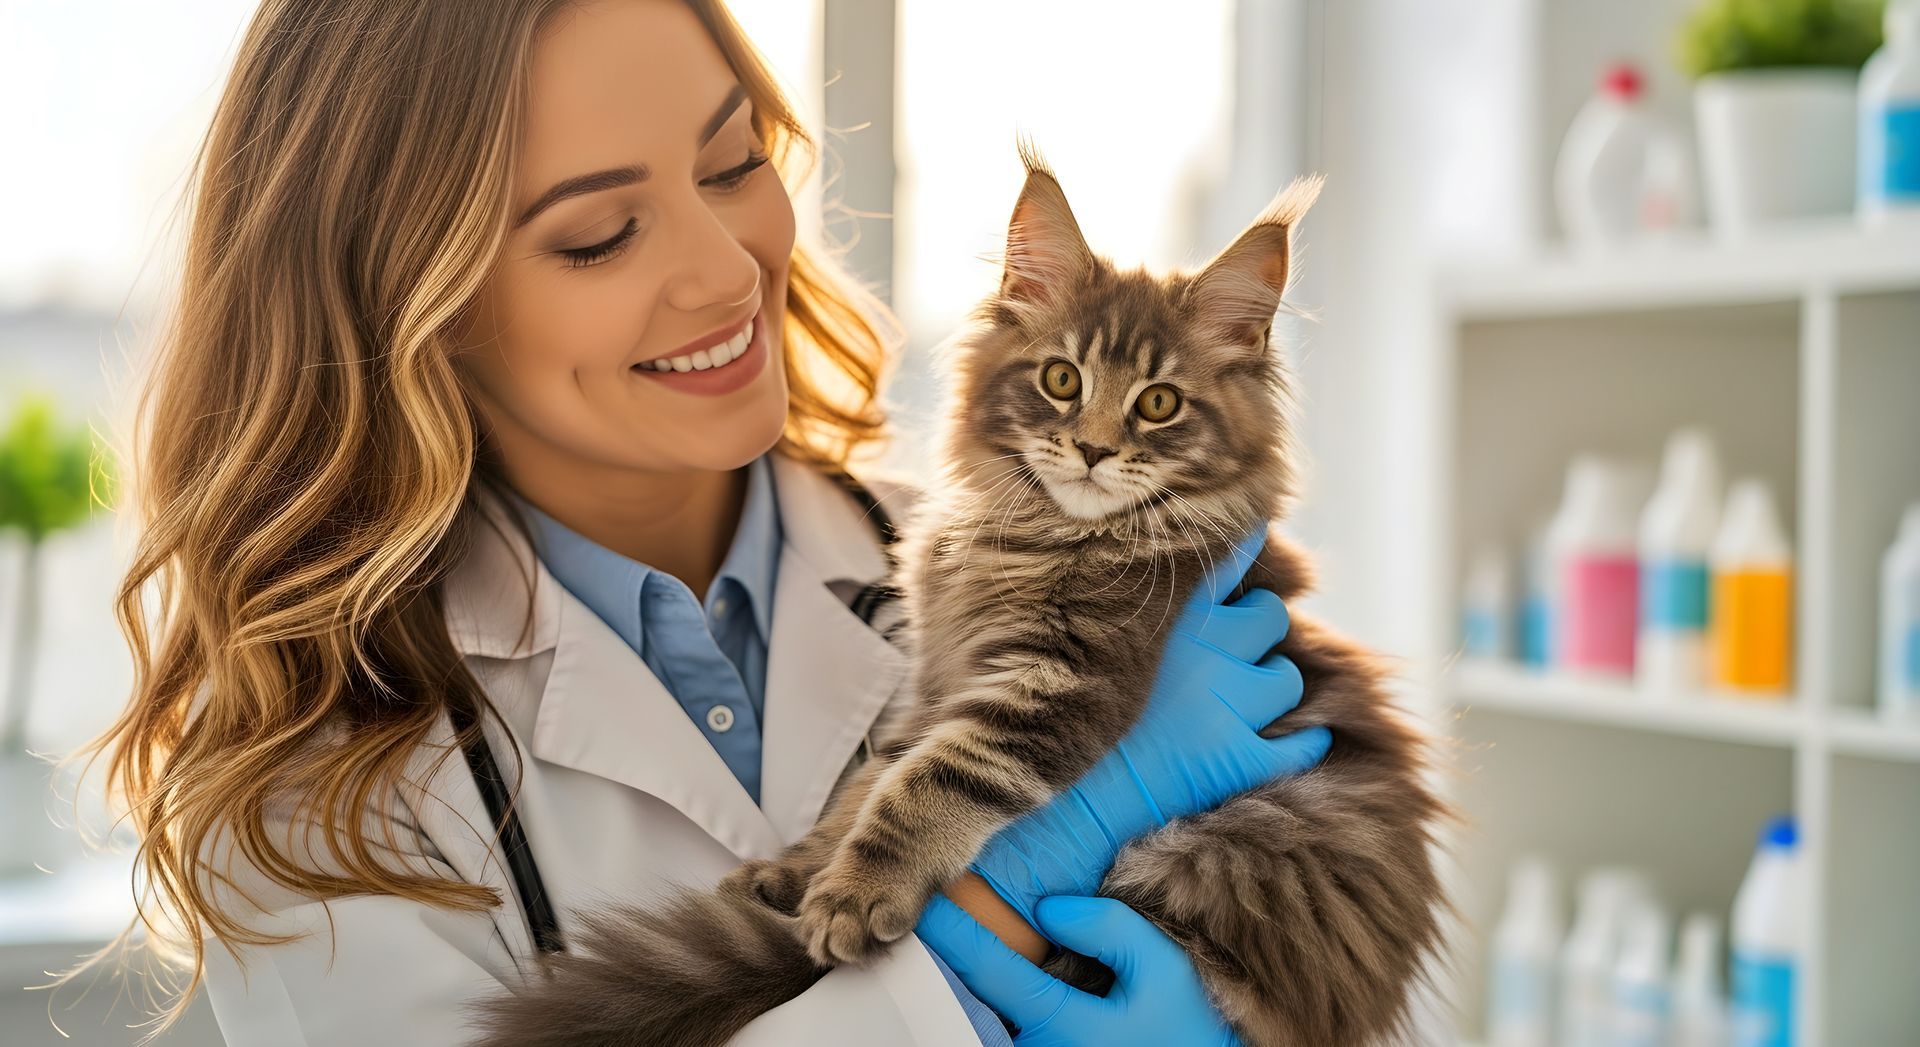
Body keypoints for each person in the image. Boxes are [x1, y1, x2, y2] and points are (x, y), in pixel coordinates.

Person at [83, 1, 1330, 1044]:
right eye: (600, 233)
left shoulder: (1037, 556)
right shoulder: (310, 780)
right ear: (413, 304)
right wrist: (1004, 893)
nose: (730, 274)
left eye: (734, 166)